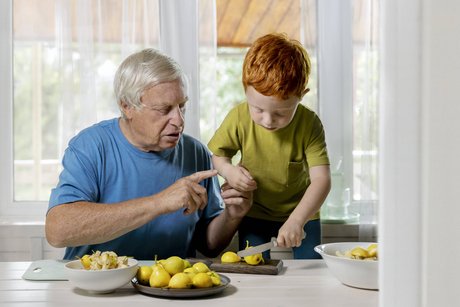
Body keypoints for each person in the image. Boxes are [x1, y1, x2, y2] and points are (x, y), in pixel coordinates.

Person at [45, 48, 252, 260]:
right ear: (127, 106)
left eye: (182, 106)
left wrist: (231, 216)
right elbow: (58, 231)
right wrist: (159, 203)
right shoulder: (91, 146)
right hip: (98, 286)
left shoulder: (196, 153)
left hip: (168, 289)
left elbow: (209, 246)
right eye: (164, 110)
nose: (179, 120)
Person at [207, 33, 331, 259]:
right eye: (258, 109)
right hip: (254, 213)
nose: (268, 120)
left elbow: (322, 180)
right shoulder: (238, 117)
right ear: (245, 90)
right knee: (251, 268)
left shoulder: (310, 124)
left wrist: (297, 220)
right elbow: (218, 155)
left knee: (311, 270)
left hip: (302, 213)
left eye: (281, 112)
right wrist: (229, 171)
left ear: (302, 96)